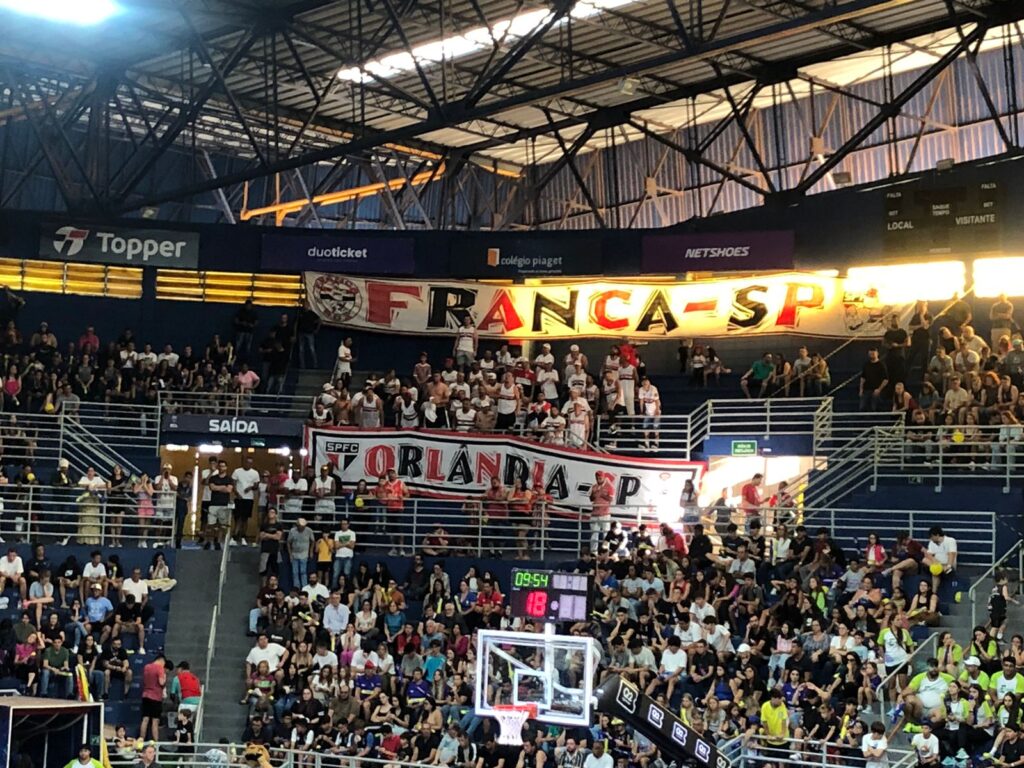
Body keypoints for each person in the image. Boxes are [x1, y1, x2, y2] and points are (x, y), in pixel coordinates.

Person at [140, 655, 169, 742]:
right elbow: (161, 682)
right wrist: (164, 677)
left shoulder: (146, 667)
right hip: (155, 697)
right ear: (162, 661)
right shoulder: (160, 668)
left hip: (145, 695)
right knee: (155, 721)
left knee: (145, 719)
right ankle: (156, 743)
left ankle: (141, 741)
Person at [287, 518, 315, 589]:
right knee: (295, 573)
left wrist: (311, 551)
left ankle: (304, 588)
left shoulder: (309, 531)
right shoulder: (292, 531)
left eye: (303, 527)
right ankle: (296, 588)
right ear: (297, 525)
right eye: (300, 526)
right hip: (294, 554)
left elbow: (313, 541)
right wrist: (290, 554)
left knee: (303, 572)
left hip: (304, 554)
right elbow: (288, 542)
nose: (302, 528)